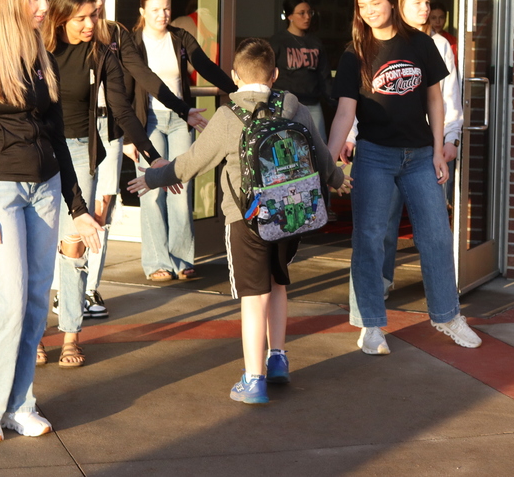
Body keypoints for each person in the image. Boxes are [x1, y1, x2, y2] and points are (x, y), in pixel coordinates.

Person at [128, 38, 349, 403]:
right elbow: (321, 154)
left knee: (252, 296)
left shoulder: (229, 117)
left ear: (233, 76)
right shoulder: (293, 107)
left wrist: (152, 179)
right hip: (289, 216)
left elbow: (192, 163)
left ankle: (253, 379)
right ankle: (277, 359)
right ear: (275, 75)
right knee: (278, 285)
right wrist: (338, 179)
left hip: (245, 219)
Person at [0, 0, 102, 443]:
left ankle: (19, 404)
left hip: (45, 190)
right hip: (2, 193)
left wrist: (77, 206)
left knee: (37, 300)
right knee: (10, 301)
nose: (44, 7)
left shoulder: (42, 59)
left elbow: (58, 137)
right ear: (12, 0)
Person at [327, 0, 481, 356]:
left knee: (436, 236)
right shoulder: (354, 53)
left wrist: (438, 148)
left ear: (390, 3)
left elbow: (435, 100)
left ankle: (447, 316)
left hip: (418, 157)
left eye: (375, 3)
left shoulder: (421, 44)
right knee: (370, 238)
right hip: (374, 156)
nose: (368, 12)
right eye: (361, 6)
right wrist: (328, 161)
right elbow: (346, 112)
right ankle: (371, 325)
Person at [39, 0, 164, 367]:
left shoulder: (99, 52)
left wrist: (154, 156)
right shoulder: (37, 51)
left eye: (93, 14)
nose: (91, 23)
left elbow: (122, 109)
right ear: (61, 18)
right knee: (39, 248)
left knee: (75, 246)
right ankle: (35, 333)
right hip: (39, 155)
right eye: (82, 18)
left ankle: (71, 335)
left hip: (80, 154)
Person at [71, 0, 207, 310]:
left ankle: (89, 289)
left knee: (103, 211)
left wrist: (182, 109)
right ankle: (69, 289)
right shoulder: (59, 36)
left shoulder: (115, 33)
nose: (98, 3)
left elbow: (141, 77)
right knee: (76, 214)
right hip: (75, 133)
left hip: (113, 129)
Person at [346, 0, 464, 300]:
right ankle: (378, 289)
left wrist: (447, 141)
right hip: (380, 151)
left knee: (435, 230)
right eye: (418, 3)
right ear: (398, 4)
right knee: (379, 227)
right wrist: (352, 137)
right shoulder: (364, 47)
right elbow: (361, 101)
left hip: (424, 149)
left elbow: (446, 98)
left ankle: (443, 301)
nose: (426, 9)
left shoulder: (434, 45)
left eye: (428, 3)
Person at [128, 0, 237, 282]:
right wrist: (128, 136)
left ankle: (182, 260)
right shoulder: (133, 43)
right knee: (151, 192)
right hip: (147, 121)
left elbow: (205, 66)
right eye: (155, 10)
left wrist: (237, 92)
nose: (162, 15)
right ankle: (156, 262)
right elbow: (126, 88)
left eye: (165, 9)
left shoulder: (180, 38)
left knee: (181, 187)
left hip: (179, 120)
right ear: (142, 13)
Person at [270, 0, 333, 141]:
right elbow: (268, 72)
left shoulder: (315, 42)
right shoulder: (278, 41)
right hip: (285, 104)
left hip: (312, 103)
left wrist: (335, 102)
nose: (307, 17)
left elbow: (324, 76)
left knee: (318, 145)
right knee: (286, 145)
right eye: (302, 13)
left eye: (309, 13)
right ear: (290, 16)